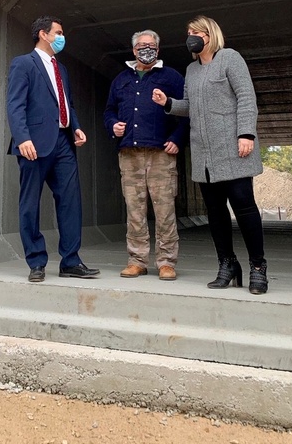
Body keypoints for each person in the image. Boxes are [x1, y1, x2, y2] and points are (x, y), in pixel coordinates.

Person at [152, 15, 268, 295]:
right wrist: (168, 103)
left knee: (244, 206)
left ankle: (257, 268)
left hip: (232, 146)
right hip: (204, 153)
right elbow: (189, 106)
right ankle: (227, 264)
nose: (191, 35)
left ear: (210, 34)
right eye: (188, 32)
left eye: (196, 31)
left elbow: (246, 97)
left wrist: (246, 133)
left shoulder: (230, 58)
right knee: (215, 213)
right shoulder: (191, 70)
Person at [7, 15, 100, 283]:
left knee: (71, 202)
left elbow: (66, 103)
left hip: (63, 143)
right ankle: (36, 262)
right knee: (30, 205)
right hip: (33, 144)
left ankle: (71, 261)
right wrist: (22, 137)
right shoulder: (23, 63)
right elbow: (15, 104)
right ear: (43, 34)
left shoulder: (63, 70)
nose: (62, 37)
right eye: (58, 32)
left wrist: (76, 127)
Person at [104, 30, 188, 281]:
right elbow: (109, 110)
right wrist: (113, 125)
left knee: (164, 210)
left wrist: (177, 139)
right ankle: (137, 260)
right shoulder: (120, 79)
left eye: (151, 45)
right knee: (134, 210)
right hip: (129, 153)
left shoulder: (172, 77)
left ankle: (166, 262)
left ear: (158, 50)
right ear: (133, 50)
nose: (146, 49)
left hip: (161, 153)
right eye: (141, 45)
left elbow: (188, 110)